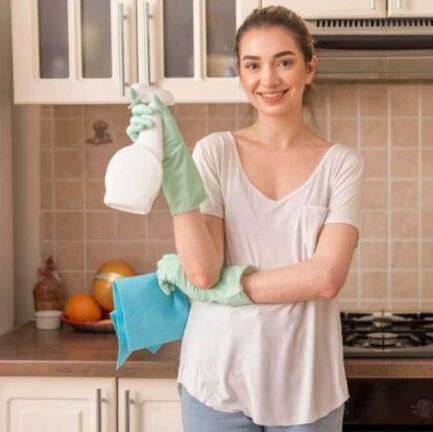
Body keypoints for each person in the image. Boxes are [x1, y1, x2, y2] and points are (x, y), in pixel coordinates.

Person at [125, 6, 363, 431]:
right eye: (253, 65)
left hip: (307, 384)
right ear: (240, 73)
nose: (268, 80)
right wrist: (178, 178)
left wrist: (232, 287)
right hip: (217, 380)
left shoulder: (340, 165)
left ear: (310, 68)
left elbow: (326, 277)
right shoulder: (214, 153)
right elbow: (202, 271)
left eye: (284, 62)